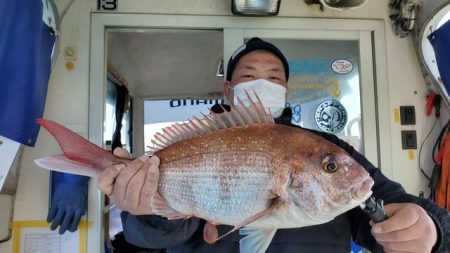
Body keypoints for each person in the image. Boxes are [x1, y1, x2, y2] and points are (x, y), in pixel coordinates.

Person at [96, 37, 449, 253]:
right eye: (248, 76)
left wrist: (430, 232)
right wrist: (140, 211)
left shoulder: (325, 146)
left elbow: (394, 205)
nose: (261, 83)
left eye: (274, 77)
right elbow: (147, 239)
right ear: (228, 90)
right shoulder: (203, 142)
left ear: (285, 91)